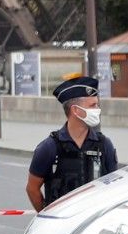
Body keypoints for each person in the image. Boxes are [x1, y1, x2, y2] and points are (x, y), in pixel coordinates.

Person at [26, 75, 119, 211]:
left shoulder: (104, 145)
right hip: (61, 226)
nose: (97, 110)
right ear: (75, 110)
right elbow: (32, 188)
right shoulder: (49, 147)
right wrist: (47, 217)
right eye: (92, 105)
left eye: (97, 105)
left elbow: (115, 187)